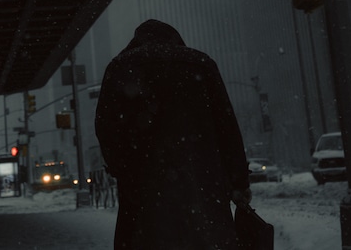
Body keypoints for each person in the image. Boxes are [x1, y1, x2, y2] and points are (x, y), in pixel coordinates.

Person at [95, 19, 252, 249]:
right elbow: (227, 127)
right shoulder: (201, 64)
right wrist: (238, 181)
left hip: (144, 190)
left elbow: (106, 128)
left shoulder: (121, 67)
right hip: (203, 185)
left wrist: (123, 168)